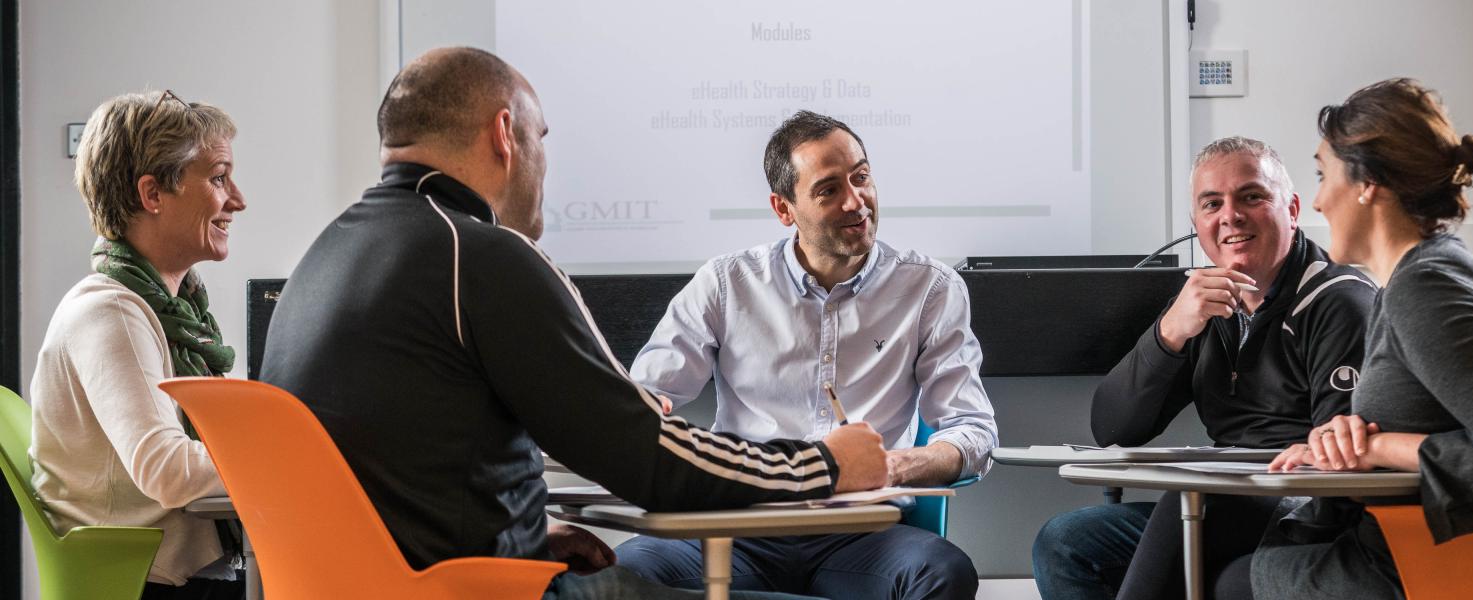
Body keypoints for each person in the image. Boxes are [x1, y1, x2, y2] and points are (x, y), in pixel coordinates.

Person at [259, 48, 888, 600]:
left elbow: (394, 465)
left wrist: (527, 534)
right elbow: (651, 459)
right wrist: (823, 464)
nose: (544, 163)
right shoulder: (477, 254)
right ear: (505, 134)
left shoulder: (327, 253)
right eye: (543, 138)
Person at [611, 110, 995, 600]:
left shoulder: (929, 288)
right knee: (621, 573)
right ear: (783, 208)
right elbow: (645, 397)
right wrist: (646, 412)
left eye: (862, 177)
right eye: (829, 189)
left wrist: (892, 467)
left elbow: (973, 429)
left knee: (941, 573)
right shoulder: (727, 284)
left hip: (863, 538)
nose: (857, 202)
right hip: (737, 530)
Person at [1211, 78, 1473, 600]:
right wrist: (1348, 436)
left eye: (1321, 174)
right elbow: (1446, 412)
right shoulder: (1429, 274)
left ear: (1367, 183)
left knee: (1221, 579)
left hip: (1417, 566)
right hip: (1427, 551)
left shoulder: (1425, 289)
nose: (1316, 200)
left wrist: (1378, 445)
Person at [1031, 136, 1377, 600]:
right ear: (1197, 224)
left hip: (1303, 505)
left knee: (1191, 503)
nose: (1230, 216)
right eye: (1212, 204)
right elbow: (1113, 428)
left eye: (1251, 197)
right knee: (1067, 542)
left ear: (1291, 209)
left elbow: (1343, 464)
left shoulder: (1340, 300)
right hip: (1224, 504)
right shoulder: (1201, 303)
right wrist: (1170, 332)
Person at [30, 90, 247, 599]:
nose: (237, 199)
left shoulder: (173, 309)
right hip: (153, 585)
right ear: (152, 194)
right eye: (218, 177)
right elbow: (167, 470)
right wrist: (291, 457)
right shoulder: (113, 312)